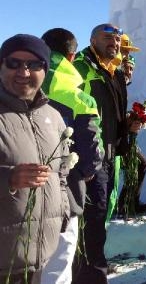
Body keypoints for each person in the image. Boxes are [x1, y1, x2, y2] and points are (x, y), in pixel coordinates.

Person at [72, 24, 141, 284]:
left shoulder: (115, 73)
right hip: (89, 155)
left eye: (116, 39)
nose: (113, 43)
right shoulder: (81, 68)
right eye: (107, 38)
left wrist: (129, 124)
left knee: (100, 215)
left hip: (111, 153)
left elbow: (111, 115)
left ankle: (92, 265)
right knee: (91, 216)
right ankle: (88, 274)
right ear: (92, 40)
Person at [0, 34, 69, 284]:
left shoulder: (53, 116)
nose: (24, 72)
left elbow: (61, 173)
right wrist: (8, 179)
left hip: (37, 255)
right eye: (13, 63)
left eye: (34, 65)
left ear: (45, 69)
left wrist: (61, 211)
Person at [40, 28, 104, 284]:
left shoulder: (15, 85)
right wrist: (83, 173)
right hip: (65, 193)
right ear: (71, 56)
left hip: (15, 193)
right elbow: (91, 158)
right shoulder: (81, 98)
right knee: (58, 264)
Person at [117, 34, 146, 215]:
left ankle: (128, 203)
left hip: (122, 134)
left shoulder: (121, 85)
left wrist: (134, 116)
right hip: (114, 137)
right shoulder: (114, 82)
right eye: (126, 67)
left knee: (139, 164)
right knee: (138, 164)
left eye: (131, 68)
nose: (129, 72)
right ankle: (126, 204)